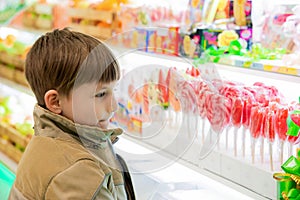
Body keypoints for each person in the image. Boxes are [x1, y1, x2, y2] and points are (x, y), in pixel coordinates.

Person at [9, 28, 135, 200]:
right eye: (100, 94)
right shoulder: (78, 172)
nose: (113, 106)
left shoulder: (46, 139)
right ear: (55, 102)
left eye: (114, 90)